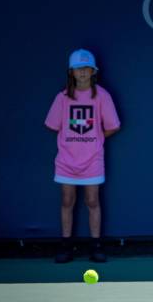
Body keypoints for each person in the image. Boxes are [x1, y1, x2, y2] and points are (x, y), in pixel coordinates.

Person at [45, 49, 121, 263]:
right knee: (67, 200)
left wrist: (96, 139)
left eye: (86, 68)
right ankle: (66, 246)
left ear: (93, 71)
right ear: (71, 72)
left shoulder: (102, 96)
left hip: (92, 161)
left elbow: (113, 126)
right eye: (78, 69)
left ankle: (96, 246)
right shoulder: (62, 97)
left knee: (92, 200)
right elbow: (53, 125)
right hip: (66, 161)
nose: (83, 73)